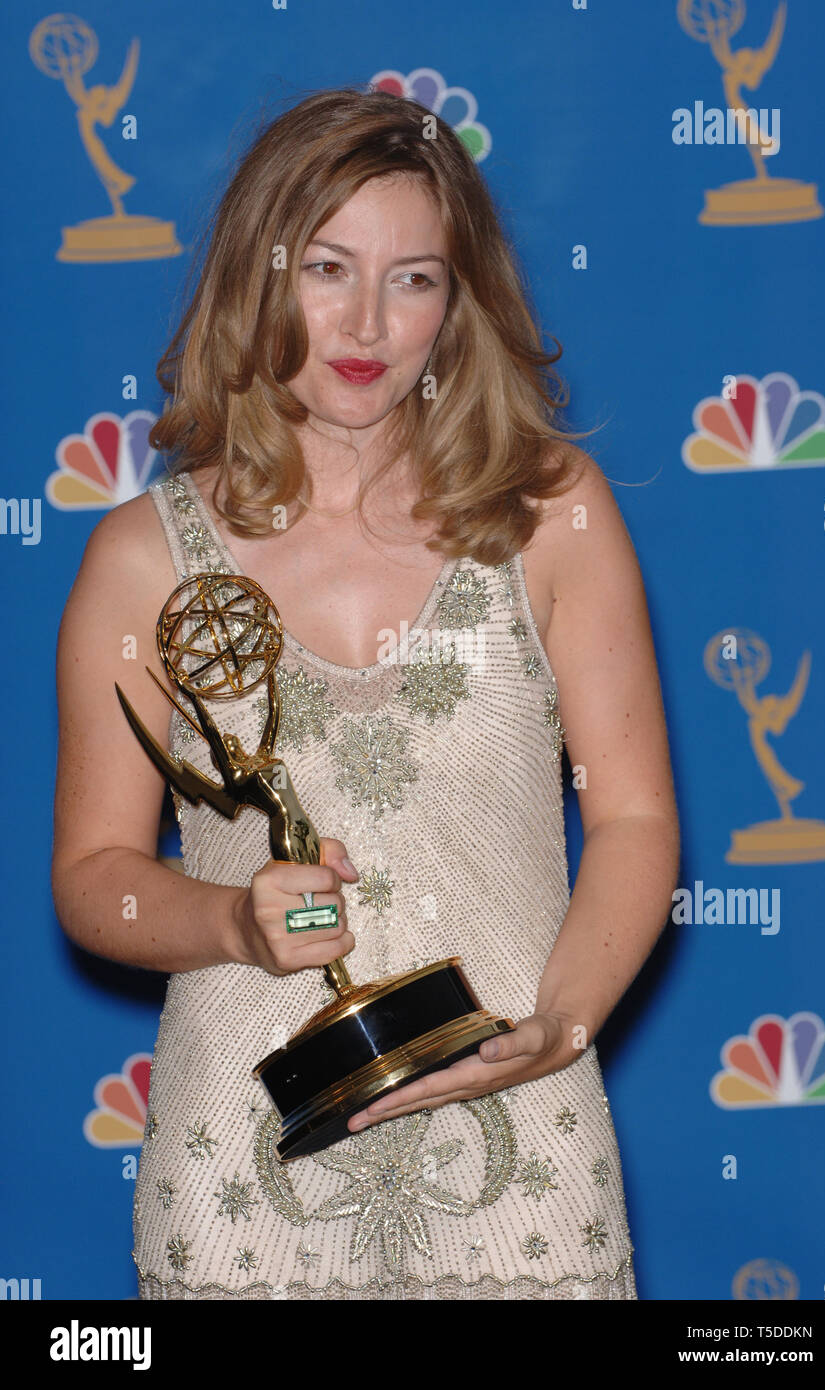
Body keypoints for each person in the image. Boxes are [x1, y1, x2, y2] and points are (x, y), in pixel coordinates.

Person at [52, 87, 679, 1301]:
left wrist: (560, 1025)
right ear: (255, 272)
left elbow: (637, 821)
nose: (366, 322)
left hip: (525, 1178)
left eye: (415, 279)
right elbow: (92, 877)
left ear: (459, 301)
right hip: (241, 1186)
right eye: (327, 267)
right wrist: (232, 922)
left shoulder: (554, 514)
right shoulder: (142, 557)